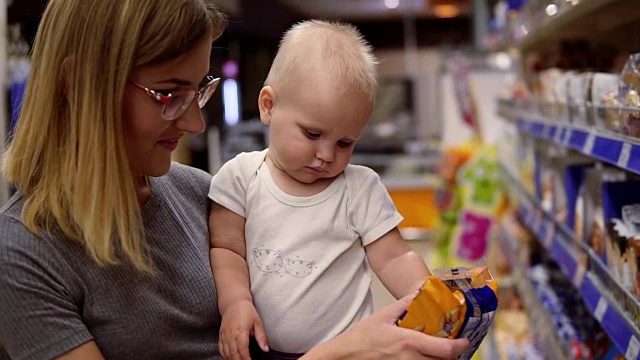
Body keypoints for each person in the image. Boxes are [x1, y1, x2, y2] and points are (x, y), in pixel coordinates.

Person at [0, 0, 469, 359]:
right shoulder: (23, 255)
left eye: (198, 90)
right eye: (167, 94)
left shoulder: (193, 191)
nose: (194, 125)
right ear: (78, 83)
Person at [209, 20, 451, 360]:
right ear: (269, 106)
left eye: (345, 142)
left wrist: (430, 301)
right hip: (261, 347)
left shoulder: (359, 188)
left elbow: (395, 256)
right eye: (312, 134)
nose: (326, 155)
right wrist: (235, 304)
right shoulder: (240, 177)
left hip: (352, 350)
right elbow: (227, 250)